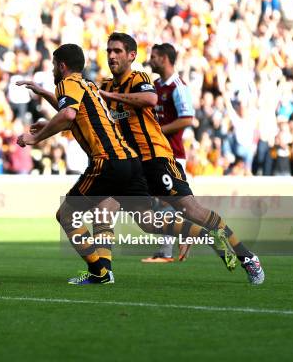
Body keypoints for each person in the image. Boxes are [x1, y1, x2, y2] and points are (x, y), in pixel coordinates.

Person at [99, 32, 264, 284]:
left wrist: (117, 101)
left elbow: (155, 101)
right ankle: (103, 272)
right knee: (129, 217)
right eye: (108, 50)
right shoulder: (106, 86)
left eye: (117, 51)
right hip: (131, 165)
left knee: (191, 209)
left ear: (131, 56)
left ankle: (246, 256)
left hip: (159, 158)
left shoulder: (142, 80)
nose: (111, 55)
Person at [17, 44, 149, 285]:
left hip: (107, 161)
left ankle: (99, 272)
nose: (53, 70)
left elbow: (67, 114)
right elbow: (70, 114)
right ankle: (213, 234)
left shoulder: (67, 84)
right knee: (149, 221)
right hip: (129, 159)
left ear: (61, 65)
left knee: (66, 214)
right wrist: (44, 101)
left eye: (54, 65)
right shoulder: (88, 85)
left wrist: (36, 138)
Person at [142, 42, 195, 263]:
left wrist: (158, 131)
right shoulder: (155, 85)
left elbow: (186, 119)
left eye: (154, 57)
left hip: (172, 153)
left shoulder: (178, 87)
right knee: (162, 202)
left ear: (164, 59)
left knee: (169, 202)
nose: (150, 60)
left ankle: (168, 249)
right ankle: (176, 242)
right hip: (156, 152)